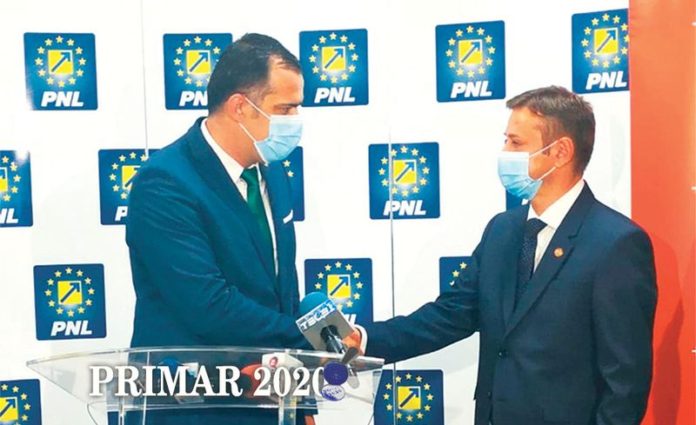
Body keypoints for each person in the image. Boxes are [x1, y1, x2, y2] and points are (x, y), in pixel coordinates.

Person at [360, 86, 657, 425]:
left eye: (516, 143)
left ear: (560, 152)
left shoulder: (616, 244)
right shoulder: (502, 230)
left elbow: (625, 382)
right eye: (506, 141)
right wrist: (364, 340)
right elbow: (449, 315)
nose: (505, 153)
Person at [125, 33, 313, 425]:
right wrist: (313, 338)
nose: (295, 121)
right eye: (285, 108)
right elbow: (207, 305)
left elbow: (285, 289)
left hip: (270, 402)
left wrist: (303, 405)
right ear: (240, 107)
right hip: (194, 406)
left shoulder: (272, 172)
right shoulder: (164, 183)